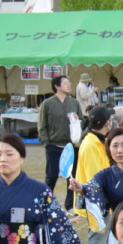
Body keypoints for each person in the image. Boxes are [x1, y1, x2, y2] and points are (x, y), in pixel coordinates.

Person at [73, 106, 114, 244]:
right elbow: (95, 177)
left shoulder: (97, 141)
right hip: (97, 202)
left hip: (101, 200)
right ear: (107, 123)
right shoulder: (91, 144)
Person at [39, 75, 80, 207]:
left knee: (71, 177)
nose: (68, 85)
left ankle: (70, 205)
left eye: (69, 83)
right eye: (65, 83)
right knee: (51, 176)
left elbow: (82, 122)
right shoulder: (47, 104)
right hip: (53, 145)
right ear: (57, 86)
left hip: (70, 145)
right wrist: (45, 142)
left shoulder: (74, 102)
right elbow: (42, 124)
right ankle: (45, 204)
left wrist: (76, 120)